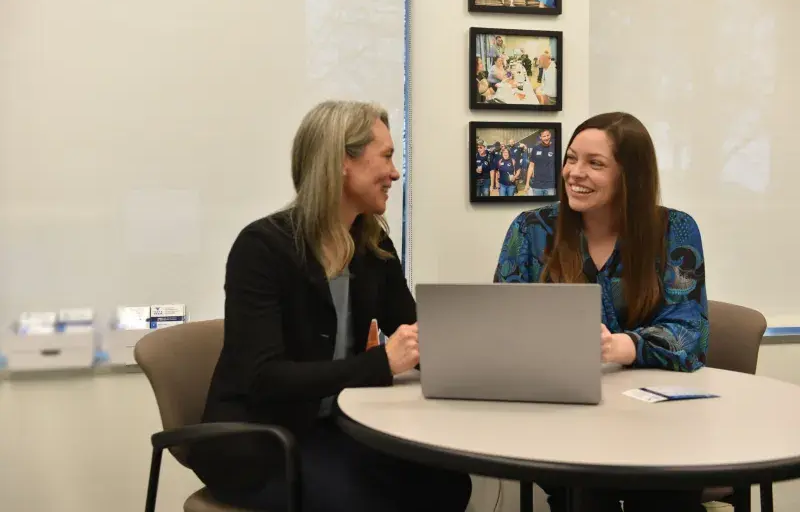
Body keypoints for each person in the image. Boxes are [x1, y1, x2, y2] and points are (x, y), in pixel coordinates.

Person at [187, 100, 472, 512]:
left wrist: (483, 366)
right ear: (342, 161)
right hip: (259, 445)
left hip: (332, 431)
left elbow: (415, 332)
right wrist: (379, 364)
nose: (395, 173)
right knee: (369, 504)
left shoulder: (372, 245)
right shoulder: (262, 248)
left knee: (448, 485)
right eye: (387, 156)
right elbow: (264, 379)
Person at [493, 112, 708, 512]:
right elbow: (504, 324)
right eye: (571, 158)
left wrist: (621, 346)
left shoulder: (674, 231)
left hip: (659, 426)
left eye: (595, 164)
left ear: (631, 175)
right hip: (565, 418)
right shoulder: (531, 229)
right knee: (585, 493)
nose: (575, 173)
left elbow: (691, 330)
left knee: (667, 494)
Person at [526, 128, 557, 196]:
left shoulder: (555, 147)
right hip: (537, 185)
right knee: (537, 206)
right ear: (540, 137)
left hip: (551, 186)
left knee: (550, 206)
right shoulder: (536, 148)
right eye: (544, 136)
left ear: (550, 135)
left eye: (547, 135)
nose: (546, 138)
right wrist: (527, 183)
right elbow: (531, 166)